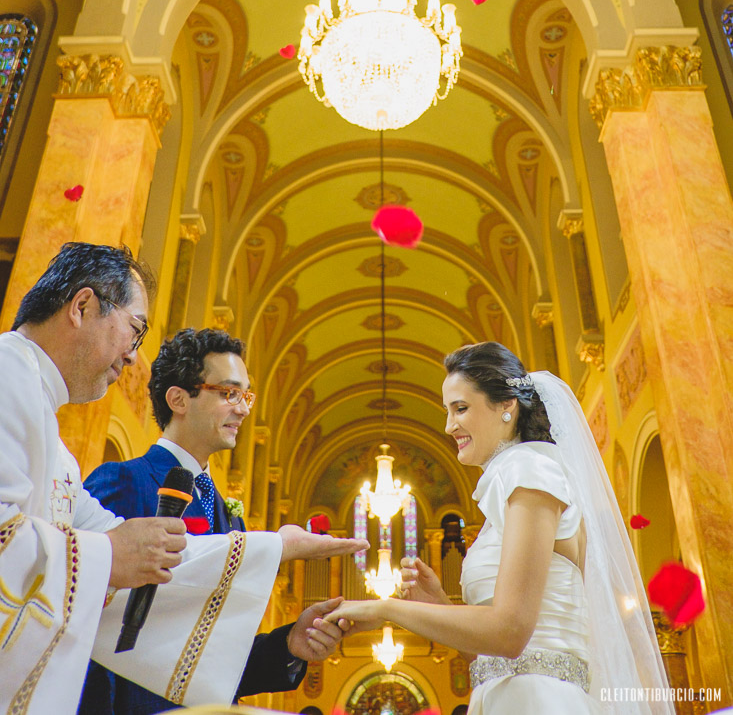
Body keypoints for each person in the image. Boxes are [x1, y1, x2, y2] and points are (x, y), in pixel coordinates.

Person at [0, 242, 367, 715]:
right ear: (83, 307)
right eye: (134, 331)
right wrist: (110, 554)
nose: (134, 357)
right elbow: (111, 583)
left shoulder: (55, 443)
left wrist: (277, 551)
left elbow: (154, 574)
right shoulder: (8, 375)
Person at [326, 342, 674, 715]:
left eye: (461, 409)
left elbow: (510, 631)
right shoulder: (514, 486)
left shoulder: (529, 471)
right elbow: (497, 652)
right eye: (448, 411)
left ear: (507, 405)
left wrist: (386, 609)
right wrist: (439, 606)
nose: (449, 425)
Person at [79, 327, 350, 713]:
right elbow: (89, 620)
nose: (242, 408)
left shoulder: (227, 515)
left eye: (245, 396)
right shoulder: (125, 482)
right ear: (179, 399)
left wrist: (290, 643)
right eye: (228, 394)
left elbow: (213, 660)